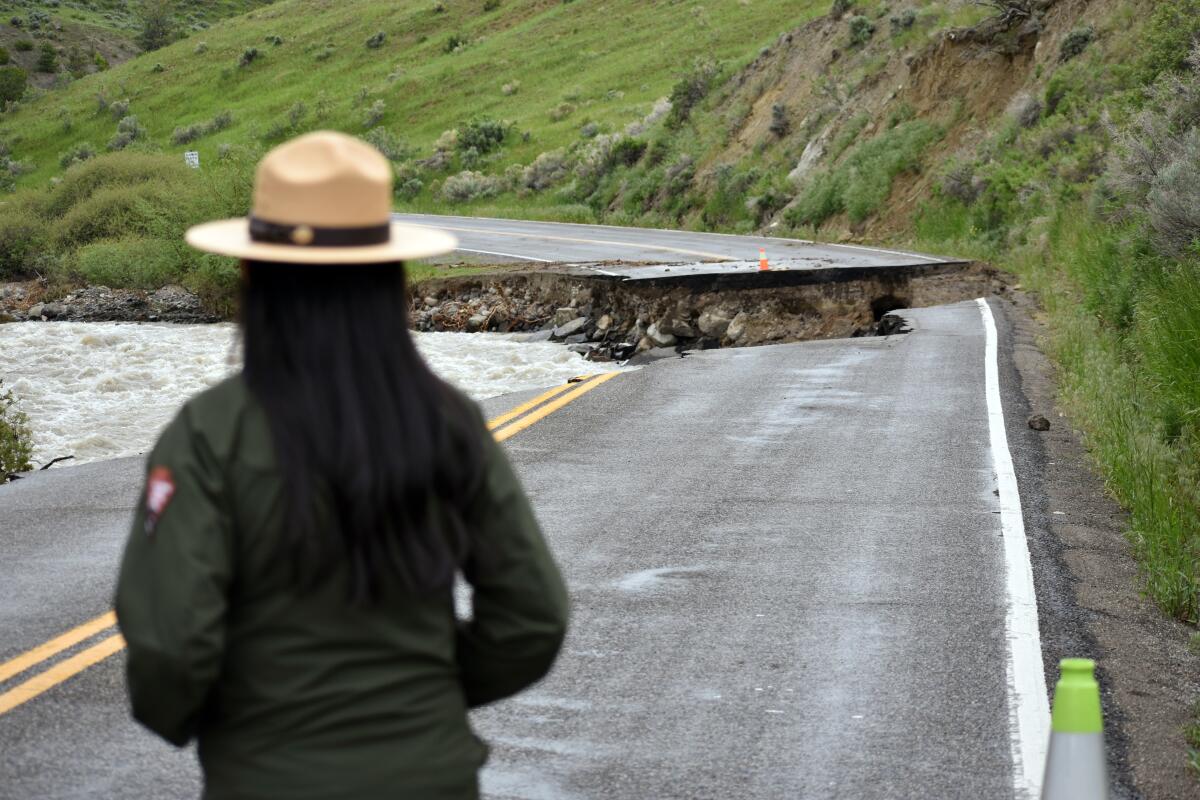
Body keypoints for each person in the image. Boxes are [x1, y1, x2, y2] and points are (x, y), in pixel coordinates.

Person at [114, 131, 569, 800]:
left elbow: (170, 645)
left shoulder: (209, 434)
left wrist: (211, 719)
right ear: (392, 277)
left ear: (251, 275)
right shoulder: (449, 423)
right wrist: (429, 689)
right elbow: (535, 617)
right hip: (433, 776)